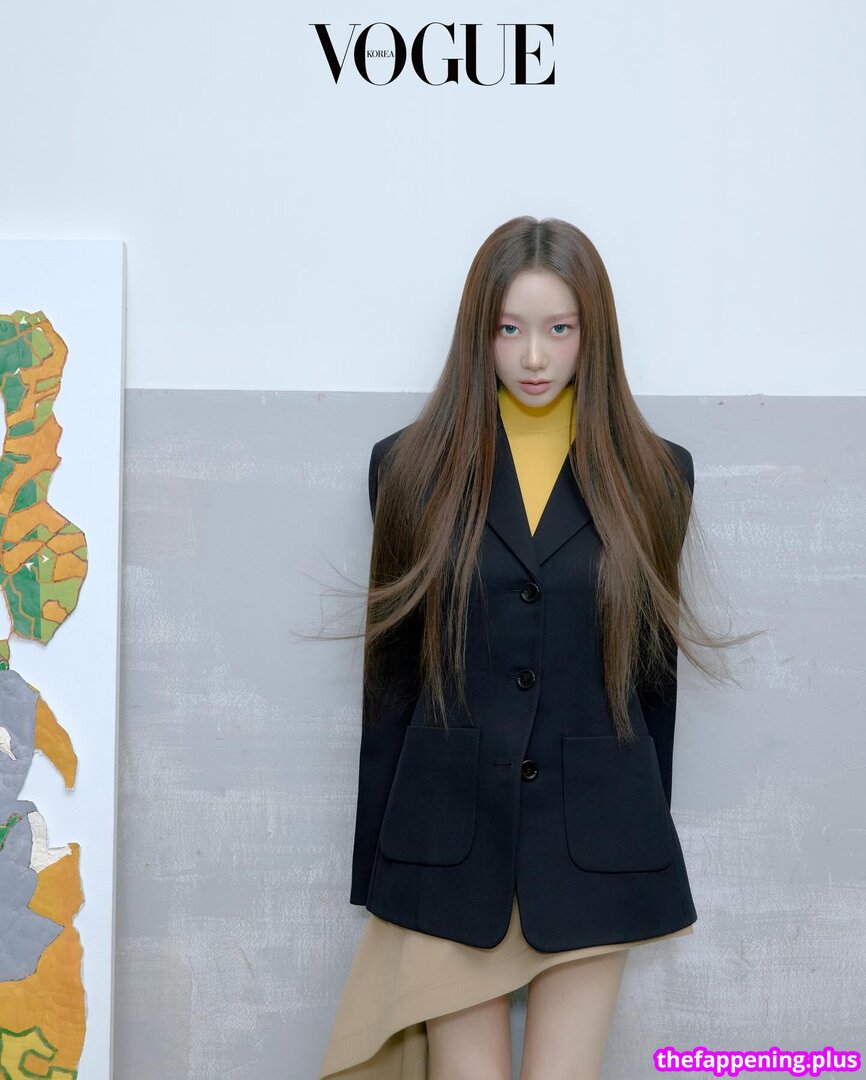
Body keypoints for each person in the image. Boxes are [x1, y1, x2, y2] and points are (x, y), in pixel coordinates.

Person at [319, 216, 743, 1080]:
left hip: (596, 840)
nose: (535, 356)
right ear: (479, 333)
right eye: (510, 329)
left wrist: (640, 840)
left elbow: (652, 684)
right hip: (447, 837)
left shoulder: (659, 474)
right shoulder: (408, 468)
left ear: (594, 334)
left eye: (560, 328)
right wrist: (380, 871)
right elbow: (391, 681)